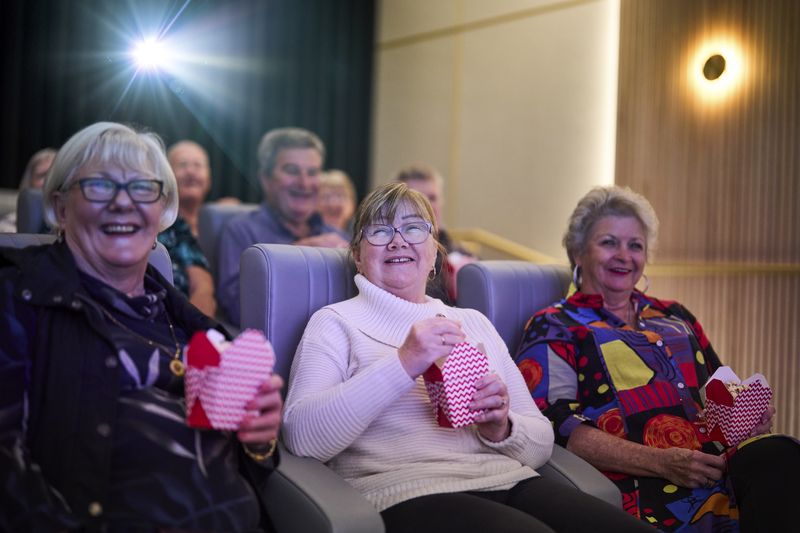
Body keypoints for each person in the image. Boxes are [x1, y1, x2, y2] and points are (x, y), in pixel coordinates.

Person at [282, 182, 650, 533]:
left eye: (414, 228)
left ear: (434, 254)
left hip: (510, 480)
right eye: (379, 231)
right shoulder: (335, 322)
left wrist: (501, 428)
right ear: (358, 256)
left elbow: (540, 441)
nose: (398, 240)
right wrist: (404, 363)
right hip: (406, 491)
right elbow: (302, 437)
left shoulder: (472, 323)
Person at [0, 122, 283, 532]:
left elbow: (250, 463)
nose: (123, 202)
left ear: (162, 212)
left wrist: (258, 440)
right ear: (61, 208)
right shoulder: (17, 297)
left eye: (142, 187)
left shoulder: (186, 321)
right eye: (99, 186)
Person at [514, 185, 800, 532]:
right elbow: (553, 424)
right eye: (609, 243)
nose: (624, 255)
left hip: (722, 470)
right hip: (646, 487)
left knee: (783, 455)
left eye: (635, 245)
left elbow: (721, 392)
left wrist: (746, 416)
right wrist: (661, 462)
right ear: (578, 252)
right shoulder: (556, 325)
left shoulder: (675, 315)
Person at [218, 127, 348, 325]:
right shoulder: (241, 231)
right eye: (292, 171)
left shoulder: (338, 237)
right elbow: (239, 311)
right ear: (266, 179)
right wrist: (299, 255)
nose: (304, 183)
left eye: (312, 172)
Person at [395, 163, 474, 304]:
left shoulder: (462, 256)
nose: (427, 205)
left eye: (432, 198)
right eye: (417, 198)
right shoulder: (392, 255)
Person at [158, 140, 217, 316]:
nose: (191, 171)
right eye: (183, 165)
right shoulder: (159, 225)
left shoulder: (222, 223)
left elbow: (203, 288)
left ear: (209, 179)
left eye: (198, 165)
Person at [0, 147, 57, 232]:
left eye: (53, 175)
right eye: (42, 175)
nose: (48, 180)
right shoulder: (7, 227)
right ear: (29, 181)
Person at [318, 169, 356, 235]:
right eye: (326, 197)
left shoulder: (362, 235)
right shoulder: (305, 235)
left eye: (339, 196)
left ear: (351, 204)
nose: (333, 203)